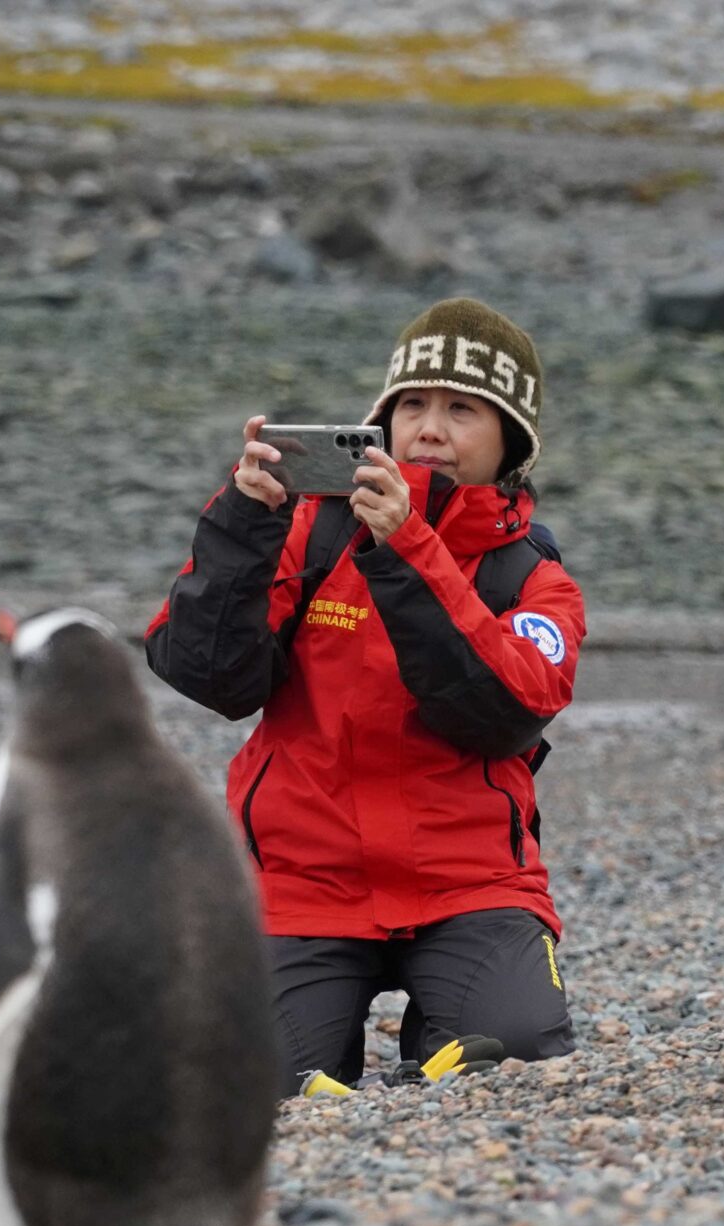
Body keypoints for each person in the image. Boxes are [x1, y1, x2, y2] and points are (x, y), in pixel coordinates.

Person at [145, 297, 586, 1091]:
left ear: (510, 442)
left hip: (469, 881)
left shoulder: (536, 582)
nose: (430, 428)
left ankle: (444, 1029)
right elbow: (206, 675)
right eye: (411, 404)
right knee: (258, 1080)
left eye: (462, 409)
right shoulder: (310, 532)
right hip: (304, 880)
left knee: (518, 1053)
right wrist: (244, 527)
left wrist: (407, 551)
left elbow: (501, 715)